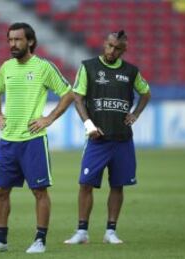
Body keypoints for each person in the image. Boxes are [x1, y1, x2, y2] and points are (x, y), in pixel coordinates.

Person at [0, 22, 74, 254]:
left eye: (18, 40)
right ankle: (1, 240)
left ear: (30, 41)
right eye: (10, 40)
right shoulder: (6, 67)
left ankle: (40, 240)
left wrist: (49, 118)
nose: (12, 44)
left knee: (39, 191)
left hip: (33, 141)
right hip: (8, 140)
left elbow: (68, 92)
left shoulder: (43, 67)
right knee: (0, 190)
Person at [64, 30, 151, 245]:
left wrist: (136, 113)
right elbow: (78, 98)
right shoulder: (89, 67)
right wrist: (89, 124)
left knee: (118, 185)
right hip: (97, 139)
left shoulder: (131, 72)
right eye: (110, 46)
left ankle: (110, 231)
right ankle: (82, 232)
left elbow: (146, 93)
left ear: (124, 50)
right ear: (105, 44)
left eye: (117, 48)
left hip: (122, 139)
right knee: (85, 183)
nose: (112, 51)